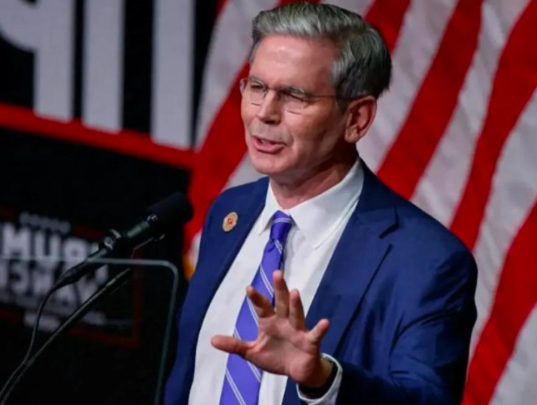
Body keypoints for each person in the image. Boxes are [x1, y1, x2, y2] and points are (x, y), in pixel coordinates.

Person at [164, 3, 477, 405]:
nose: (264, 113)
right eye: (257, 87)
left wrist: (323, 379)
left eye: (294, 96)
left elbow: (428, 400)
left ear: (356, 119)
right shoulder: (231, 212)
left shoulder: (425, 261)